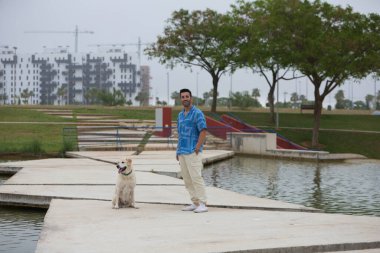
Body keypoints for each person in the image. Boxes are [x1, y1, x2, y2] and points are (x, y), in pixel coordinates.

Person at [176, 88, 208, 213]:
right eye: (183, 97)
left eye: (187, 96)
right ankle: (195, 202)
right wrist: (177, 151)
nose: (185, 99)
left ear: (191, 98)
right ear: (181, 99)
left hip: (193, 151)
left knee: (196, 177)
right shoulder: (180, 115)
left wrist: (197, 147)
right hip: (182, 151)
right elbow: (180, 133)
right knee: (187, 179)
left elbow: (203, 130)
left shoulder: (197, 113)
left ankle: (203, 203)